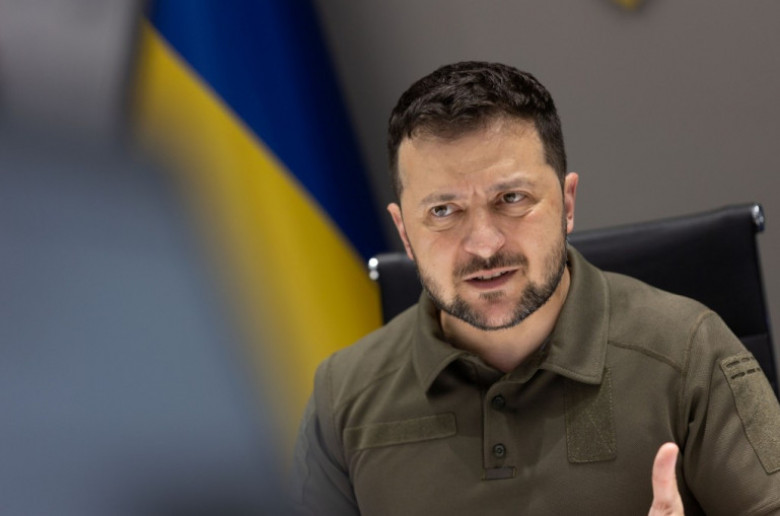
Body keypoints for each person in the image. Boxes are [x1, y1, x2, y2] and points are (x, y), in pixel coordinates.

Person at [291, 62, 780, 515]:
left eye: (512, 198)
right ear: (404, 232)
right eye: (443, 211)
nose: (484, 245)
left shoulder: (691, 352)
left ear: (567, 204)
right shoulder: (343, 395)